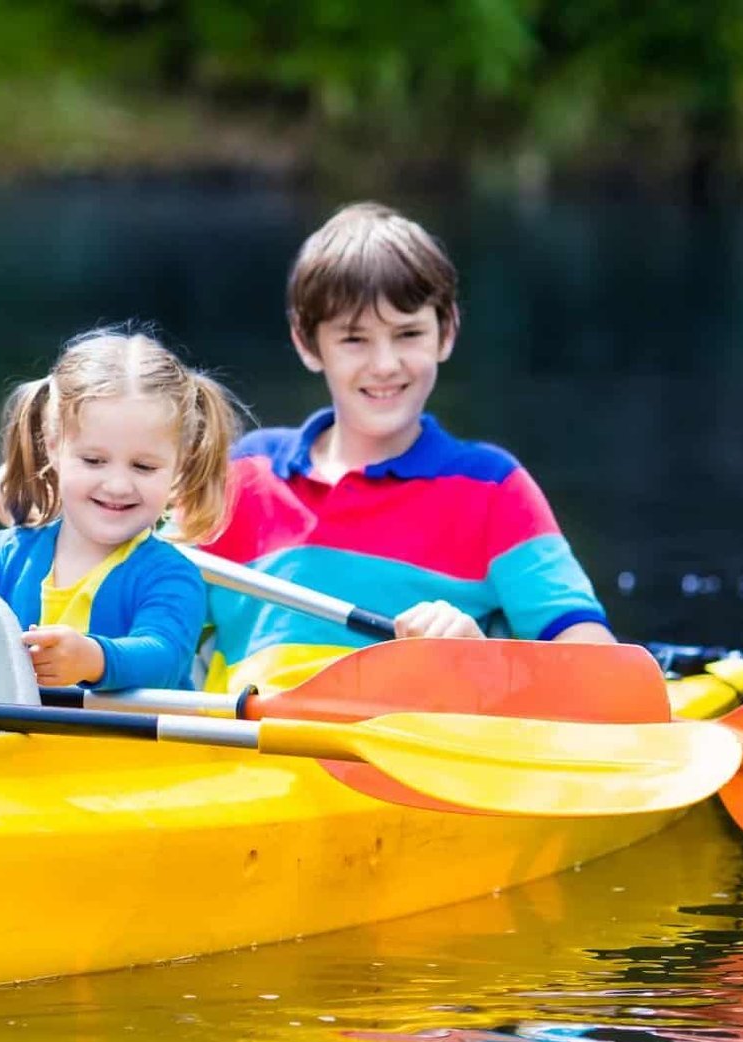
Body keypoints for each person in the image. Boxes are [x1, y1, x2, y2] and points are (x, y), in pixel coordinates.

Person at [202, 201, 614, 695]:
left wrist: (482, 657)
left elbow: (598, 667)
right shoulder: (245, 475)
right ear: (308, 344)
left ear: (447, 332)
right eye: (354, 339)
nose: (385, 364)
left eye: (408, 334)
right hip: (252, 755)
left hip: (414, 755)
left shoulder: (494, 489)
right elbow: (148, 620)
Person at [0, 326, 242, 690]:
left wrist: (93, 659)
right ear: (53, 447)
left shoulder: (170, 575)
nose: (118, 485)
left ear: (180, 466)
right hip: (10, 744)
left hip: (129, 748)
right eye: (93, 460)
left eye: (144, 467)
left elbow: (163, 655)